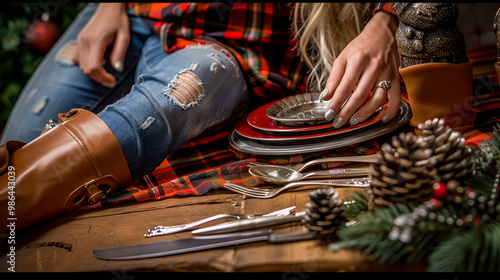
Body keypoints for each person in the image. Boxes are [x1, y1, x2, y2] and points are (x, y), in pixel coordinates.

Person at [0, 3, 400, 236]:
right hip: (135, 15)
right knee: (19, 144)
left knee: (164, 104)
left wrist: (386, 18)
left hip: (235, 44)